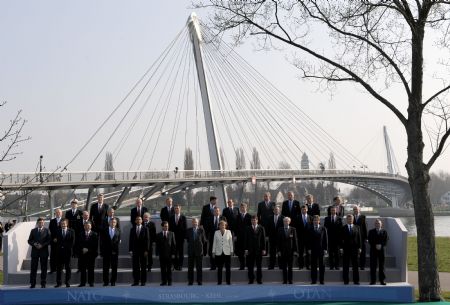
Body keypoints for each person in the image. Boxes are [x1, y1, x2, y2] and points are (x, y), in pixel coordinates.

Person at [28, 218, 51, 288]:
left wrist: (42, 245)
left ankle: (43, 283)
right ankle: (32, 283)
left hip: (44, 252)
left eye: (42, 222)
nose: (40, 223)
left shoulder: (47, 230)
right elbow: (29, 240)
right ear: (37, 223)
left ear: (44, 223)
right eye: (39, 222)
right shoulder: (33, 230)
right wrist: (34, 244)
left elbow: (49, 241)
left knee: (44, 268)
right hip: (35, 252)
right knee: (33, 268)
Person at [340, 214, 362, 285]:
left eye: (351, 219)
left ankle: (356, 280)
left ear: (353, 219)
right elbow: (340, 239)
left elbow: (359, 238)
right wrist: (341, 248)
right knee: (345, 266)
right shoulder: (343, 228)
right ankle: (346, 280)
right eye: (348, 219)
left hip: (355, 249)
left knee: (355, 266)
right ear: (346, 220)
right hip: (346, 249)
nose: (350, 220)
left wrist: (360, 247)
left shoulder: (357, 227)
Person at [245, 215, 266, 284]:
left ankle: (259, 280)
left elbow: (263, 239)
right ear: (251, 221)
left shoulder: (261, 228)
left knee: (259, 266)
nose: (254, 221)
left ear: (257, 220)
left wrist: (264, 249)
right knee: (250, 266)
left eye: (255, 220)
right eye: (252, 220)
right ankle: (251, 280)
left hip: (259, 250)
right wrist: (246, 249)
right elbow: (246, 239)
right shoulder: (247, 228)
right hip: (250, 250)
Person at [129, 216, 150, 286]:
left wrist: (146, 250)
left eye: (140, 219)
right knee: (135, 266)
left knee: (143, 266)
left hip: (143, 251)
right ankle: (136, 281)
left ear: (142, 221)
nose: (138, 220)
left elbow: (147, 240)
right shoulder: (132, 229)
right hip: (135, 251)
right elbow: (130, 240)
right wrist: (130, 250)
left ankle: (143, 281)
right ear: (135, 221)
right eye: (137, 219)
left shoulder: (145, 228)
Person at [185, 218, 207, 285]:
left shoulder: (201, 230)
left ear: (198, 223)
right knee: (190, 268)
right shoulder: (188, 230)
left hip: (199, 251)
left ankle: (199, 281)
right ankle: (190, 281)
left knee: (199, 267)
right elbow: (188, 240)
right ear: (192, 223)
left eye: (196, 222)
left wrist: (203, 251)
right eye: (194, 222)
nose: (195, 223)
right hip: (191, 251)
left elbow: (204, 240)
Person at [54, 219, 75, 288]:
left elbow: (72, 242)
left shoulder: (71, 231)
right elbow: (55, 241)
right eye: (62, 223)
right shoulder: (57, 231)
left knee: (68, 268)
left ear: (67, 224)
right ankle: (59, 283)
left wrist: (66, 247)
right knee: (59, 268)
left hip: (67, 252)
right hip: (59, 252)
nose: (63, 225)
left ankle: (67, 282)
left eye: (64, 223)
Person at [307, 215, 328, 285]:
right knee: (313, 266)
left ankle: (322, 280)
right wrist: (309, 248)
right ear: (313, 221)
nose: (315, 221)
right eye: (314, 220)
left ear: (319, 221)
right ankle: (314, 280)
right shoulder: (310, 228)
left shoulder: (323, 228)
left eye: (317, 220)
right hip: (313, 250)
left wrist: (325, 249)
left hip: (321, 250)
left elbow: (325, 239)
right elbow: (308, 240)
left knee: (322, 266)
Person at [277, 217, 298, 284]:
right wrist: (278, 251)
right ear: (283, 222)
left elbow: (295, 240)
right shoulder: (280, 229)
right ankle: (285, 280)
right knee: (284, 267)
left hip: (291, 251)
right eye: (285, 221)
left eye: (287, 221)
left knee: (290, 267)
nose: (286, 222)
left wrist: (295, 250)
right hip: (282, 251)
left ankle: (290, 280)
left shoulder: (293, 229)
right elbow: (278, 241)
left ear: (289, 222)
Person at [100, 218, 121, 286]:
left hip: (114, 252)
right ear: (109, 223)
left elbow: (118, 241)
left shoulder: (118, 230)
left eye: (114, 222)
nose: (113, 223)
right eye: (112, 222)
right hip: (106, 252)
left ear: (116, 223)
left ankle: (113, 281)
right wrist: (102, 252)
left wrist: (115, 250)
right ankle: (105, 281)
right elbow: (101, 242)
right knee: (105, 267)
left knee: (114, 267)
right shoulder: (104, 230)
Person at [368, 218, 389, 285]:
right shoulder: (371, 231)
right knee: (373, 266)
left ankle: (382, 280)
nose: (377, 224)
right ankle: (373, 281)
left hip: (381, 251)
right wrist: (375, 245)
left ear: (381, 224)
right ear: (374, 224)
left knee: (381, 266)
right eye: (376, 223)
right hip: (373, 250)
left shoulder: (384, 231)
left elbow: (386, 240)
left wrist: (381, 245)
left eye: (378, 223)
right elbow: (370, 240)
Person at [212, 220, 233, 285]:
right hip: (219, 252)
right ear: (219, 226)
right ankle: (219, 282)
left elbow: (230, 242)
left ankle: (228, 281)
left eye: (223, 225)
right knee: (219, 268)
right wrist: (213, 251)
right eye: (221, 225)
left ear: (225, 226)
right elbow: (214, 242)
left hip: (227, 252)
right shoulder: (216, 232)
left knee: (228, 268)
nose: (222, 226)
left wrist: (231, 251)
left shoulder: (229, 232)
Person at [78, 221, 98, 287]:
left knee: (91, 269)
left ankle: (91, 282)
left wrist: (88, 250)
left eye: (89, 225)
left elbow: (95, 245)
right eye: (86, 225)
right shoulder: (80, 234)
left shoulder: (95, 234)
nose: (87, 227)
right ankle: (82, 282)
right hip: (82, 254)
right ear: (84, 227)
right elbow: (79, 243)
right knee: (83, 269)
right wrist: (82, 249)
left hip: (91, 254)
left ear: (91, 226)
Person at [156, 221, 176, 286]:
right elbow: (157, 246)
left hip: (169, 255)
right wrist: (157, 254)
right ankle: (164, 281)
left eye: (167, 226)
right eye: (165, 226)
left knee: (169, 269)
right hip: (162, 255)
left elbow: (173, 244)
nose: (166, 227)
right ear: (162, 227)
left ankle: (169, 282)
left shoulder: (171, 233)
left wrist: (173, 253)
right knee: (163, 269)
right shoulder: (158, 235)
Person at [169, 204, 187, 270]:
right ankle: (175, 265)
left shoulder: (183, 217)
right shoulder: (171, 217)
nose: (176, 209)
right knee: (174, 252)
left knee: (181, 252)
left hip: (181, 238)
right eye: (175, 208)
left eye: (177, 208)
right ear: (174, 209)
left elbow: (185, 228)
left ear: (180, 209)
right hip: (173, 238)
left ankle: (180, 265)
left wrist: (184, 237)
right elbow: (169, 229)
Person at [324, 206, 343, 270]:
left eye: (334, 210)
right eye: (332, 210)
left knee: (337, 254)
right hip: (329, 239)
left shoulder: (339, 218)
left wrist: (340, 239)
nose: (333, 211)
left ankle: (337, 266)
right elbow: (325, 229)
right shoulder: (327, 218)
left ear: (336, 211)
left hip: (337, 239)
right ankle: (331, 266)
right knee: (331, 254)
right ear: (330, 211)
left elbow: (341, 229)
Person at [235, 203, 252, 270]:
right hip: (240, 237)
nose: (242, 209)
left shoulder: (249, 216)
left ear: (246, 208)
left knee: (248, 251)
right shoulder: (238, 216)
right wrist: (236, 235)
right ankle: (242, 265)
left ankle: (248, 264)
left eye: (244, 207)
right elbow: (235, 227)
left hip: (247, 237)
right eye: (241, 207)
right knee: (240, 252)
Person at [353, 205, 368, 270]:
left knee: (363, 252)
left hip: (362, 237)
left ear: (359, 210)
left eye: (356, 209)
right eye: (354, 209)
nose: (355, 210)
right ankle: (355, 266)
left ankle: (362, 266)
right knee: (354, 253)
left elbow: (365, 227)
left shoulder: (363, 217)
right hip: (354, 238)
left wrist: (366, 237)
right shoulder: (351, 217)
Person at [297, 205, 312, 270]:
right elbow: (296, 228)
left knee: (308, 252)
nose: (304, 210)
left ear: (307, 210)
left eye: (305, 209)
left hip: (309, 238)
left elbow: (312, 228)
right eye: (302, 209)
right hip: (300, 238)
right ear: (301, 210)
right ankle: (301, 265)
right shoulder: (297, 217)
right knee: (300, 252)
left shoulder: (311, 217)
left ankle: (308, 265)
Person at [49, 208, 63, 274]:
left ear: (61, 213)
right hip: (53, 241)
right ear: (55, 214)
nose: (58, 213)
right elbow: (50, 231)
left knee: (61, 256)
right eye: (57, 212)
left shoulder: (64, 221)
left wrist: (59, 238)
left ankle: (61, 269)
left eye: (59, 212)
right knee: (53, 256)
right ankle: (52, 269)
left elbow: (66, 230)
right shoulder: (52, 221)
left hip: (61, 241)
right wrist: (53, 238)